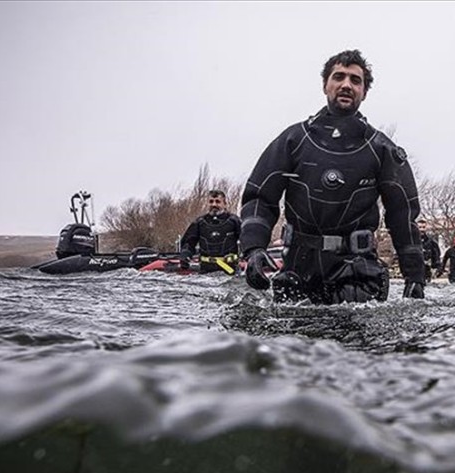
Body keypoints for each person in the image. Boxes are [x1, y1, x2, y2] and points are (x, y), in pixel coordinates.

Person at [239, 49, 425, 304]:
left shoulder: (382, 150)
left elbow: (403, 215)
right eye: (339, 77)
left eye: (355, 80)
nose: (346, 85)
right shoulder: (293, 140)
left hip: (358, 274)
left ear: (364, 92)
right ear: (325, 85)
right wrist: (253, 249)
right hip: (298, 269)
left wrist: (415, 277)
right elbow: (260, 197)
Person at [179, 190, 242, 274]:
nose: (214, 204)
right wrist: (185, 255)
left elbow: (247, 240)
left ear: (225, 204)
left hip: (230, 271)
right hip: (205, 272)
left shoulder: (234, 221)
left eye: (218, 202)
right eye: (211, 201)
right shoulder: (199, 223)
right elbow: (188, 243)